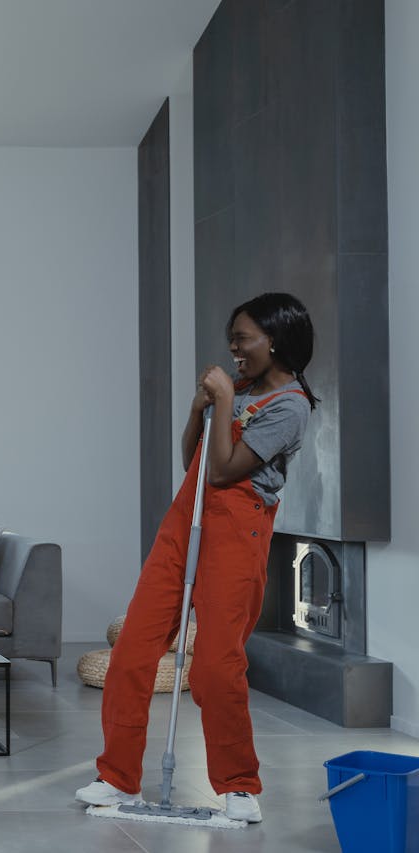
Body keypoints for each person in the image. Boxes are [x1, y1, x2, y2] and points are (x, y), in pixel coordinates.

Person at [75, 292, 318, 825]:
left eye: (243, 338)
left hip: (236, 531)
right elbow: (197, 463)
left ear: (275, 340)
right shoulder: (244, 389)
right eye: (231, 339)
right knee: (133, 652)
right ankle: (115, 776)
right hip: (184, 523)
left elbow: (227, 472)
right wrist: (196, 411)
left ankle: (236, 784)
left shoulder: (290, 406)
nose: (233, 348)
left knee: (214, 667)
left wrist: (226, 399)